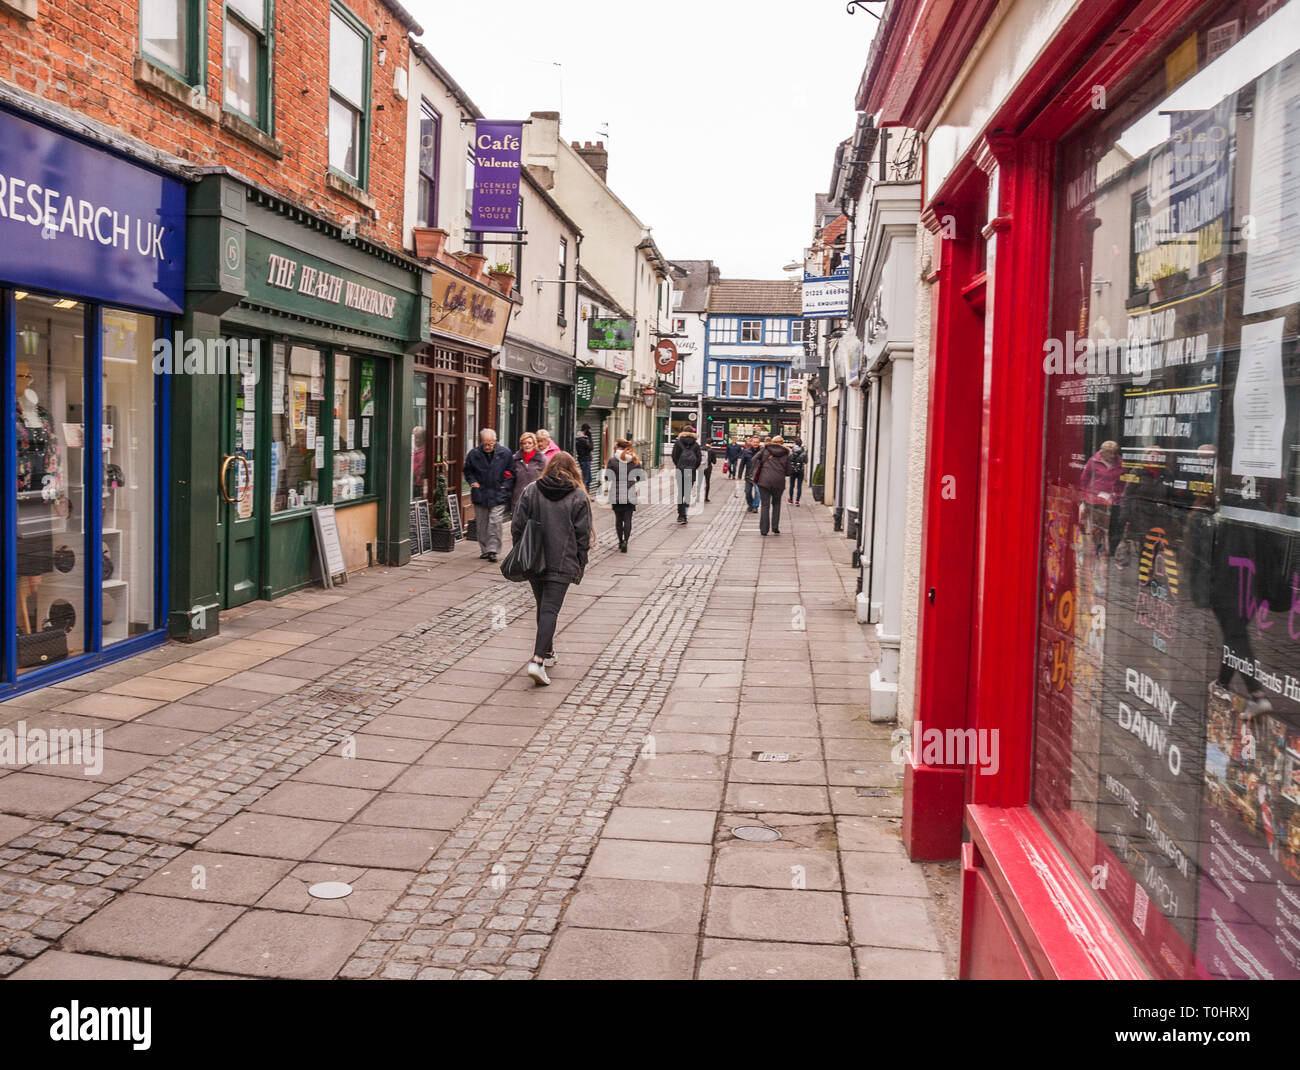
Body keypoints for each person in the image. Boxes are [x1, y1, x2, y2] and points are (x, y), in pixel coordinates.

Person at [511, 452, 592, 686]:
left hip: (534, 559)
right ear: (573, 469)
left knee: (543, 607)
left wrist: (522, 550)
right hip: (562, 561)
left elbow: (517, 525)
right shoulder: (578, 495)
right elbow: (583, 535)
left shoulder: (532, 489)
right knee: (550, 610)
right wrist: (580, 562)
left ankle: (547, 653)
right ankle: (537, 661)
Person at [464, 429, 514, 562]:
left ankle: (493, 550)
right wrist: (473, 482)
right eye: (486, 444)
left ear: (495, 441)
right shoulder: (474, 454)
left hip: (498, 493)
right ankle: (485, 549)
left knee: (495, 522)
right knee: (482, 523)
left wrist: (506, 484)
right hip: (480, 493)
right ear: (481, 442)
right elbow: (468, 471)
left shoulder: (505, 453)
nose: (488, 447)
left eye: (491, 444)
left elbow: (511, 471)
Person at [1080, 439, 1126, 556]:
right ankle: (1097, 548)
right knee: (1097, 527)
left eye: (1115, 452)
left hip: (1114, 500)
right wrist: (1085, 497)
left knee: (1114, 526)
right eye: (1109, 453)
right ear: (1102, 452)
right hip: (1095, 499)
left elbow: (1124, 481)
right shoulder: (1093, 461)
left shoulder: (1121, 463)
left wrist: (1118, 493)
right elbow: (1084, 479)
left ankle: (1111, 551)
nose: (1112, 455)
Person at [603, 439, 645, 552]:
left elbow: (607, 477)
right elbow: (640, 478)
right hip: (630, 491)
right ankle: (626, 541)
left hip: (616, 491)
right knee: (628, 519)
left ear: (618, 447)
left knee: (618, 519)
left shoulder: (612, 460)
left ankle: (620, 541)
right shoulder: (635, 460)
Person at [753, 435, 793, 535]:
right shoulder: (786, 453)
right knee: (776, 504)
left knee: (765, 505)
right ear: (782, 443)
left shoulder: (765, 449)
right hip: (778, 482)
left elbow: (753, 459)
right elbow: (788, 471)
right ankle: (775, 527)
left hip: (764, 480)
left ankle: (764, 530)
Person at [670, 425, 702, 524]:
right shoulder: (696, 445)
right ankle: (684, 515)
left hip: (680, 471)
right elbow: (699, 459)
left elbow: (674, 456)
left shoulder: (678, 443)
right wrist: (693, 468)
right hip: (690, 472)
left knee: (681, 493)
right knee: (687, 494)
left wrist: (679, 466)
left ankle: (680, 515)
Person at [511, 431, 546, 510]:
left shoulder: (541, 459)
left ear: (534, 444)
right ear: (521, 445)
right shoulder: (515, 459)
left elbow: (545, 477)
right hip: (518, 498)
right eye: (524, 443)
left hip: (535, 497)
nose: (527, 445)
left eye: (529, 443)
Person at [740, 436, 760, 512]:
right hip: (748, 475)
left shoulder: (761, 451)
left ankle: (755, 506)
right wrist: (739, 475)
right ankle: (750, 504)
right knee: (747, 491)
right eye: (754, 442)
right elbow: (742, 463)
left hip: (758, 475)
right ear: (751, 443)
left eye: (757, 442)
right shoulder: (746, 451)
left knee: (757, 492)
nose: (755, 443)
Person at [788, 437, 807, 505]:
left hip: (793, 470)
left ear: (795, 443)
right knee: (799, 486)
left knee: (791, 486)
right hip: (800, 470)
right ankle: (797, 501)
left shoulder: (792, 451)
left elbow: (789, 460)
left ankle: (791, 499)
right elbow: (806, 461)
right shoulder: (803, 452)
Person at [575, 424, 594, 488]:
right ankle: (585, 495)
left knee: (588, 479)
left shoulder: (583, 438)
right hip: (585, 460)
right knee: (586, 480)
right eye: (589, 430)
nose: (590, 432)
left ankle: (587, 495)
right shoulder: (581, 439)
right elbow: (591, 447)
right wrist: (590, 437)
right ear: (585, 430)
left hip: (586, 460)